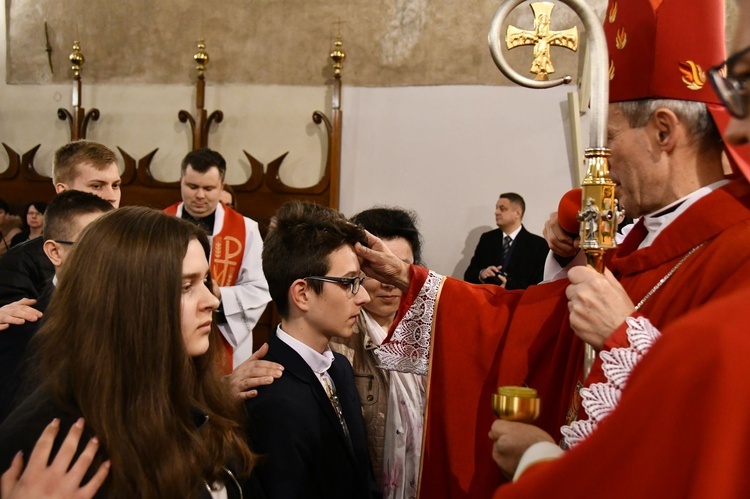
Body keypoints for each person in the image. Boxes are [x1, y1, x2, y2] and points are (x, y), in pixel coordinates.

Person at [355, 0, 750, 497]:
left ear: (664, 132)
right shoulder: (638, 239)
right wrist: (418, 283)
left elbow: (725, 435)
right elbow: (528, 322)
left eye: (607, 139)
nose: (599, 168)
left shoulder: (738, 250)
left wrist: (624, 337)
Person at [0, 207, 255, 498]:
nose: (211, 300)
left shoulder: (189, 390)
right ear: (129, 302)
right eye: (186, 286)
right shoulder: (55, 440)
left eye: (205, 281)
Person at [245, 201, 381, 499]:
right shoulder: (271, 396)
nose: (364, 297)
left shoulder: (340, 368)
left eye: (360, 281)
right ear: (302, 293)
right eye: (349, 283)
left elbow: (362, 477)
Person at [330, 207, 425, 499]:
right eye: (376, 268)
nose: (389, 280)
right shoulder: (336, 337)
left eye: (400, 267)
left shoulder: (431, 331)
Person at [0, 191, 114, 424]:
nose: (109, 257)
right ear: (55, 252)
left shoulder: (136, 313)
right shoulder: (21, 330)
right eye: (93, 245)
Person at [165, 148, 270, 371]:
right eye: (192, 186)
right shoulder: (159, 223)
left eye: (208, 188)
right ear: (181, 181)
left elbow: (260, 289)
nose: (199, 195)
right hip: (168, 335)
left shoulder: (246, 229)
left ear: (222, 186)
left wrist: (221, 294)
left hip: (222, 336)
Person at [0, 141, 121, 307]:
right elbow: (22, 329)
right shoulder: (20, 262)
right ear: (64, 191)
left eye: (115, 185)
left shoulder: (135, 248)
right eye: (97, 185)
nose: (111, 196)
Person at [463, 193, 548, 290]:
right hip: (486, 300)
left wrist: (508, 285)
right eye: (496, 208)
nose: (496, 212)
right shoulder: (487, 239)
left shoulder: (538, 245)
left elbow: (538, 284)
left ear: (517, 213)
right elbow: (468, 275)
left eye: (502, 208)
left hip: (518, 302)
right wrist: (482, 274)